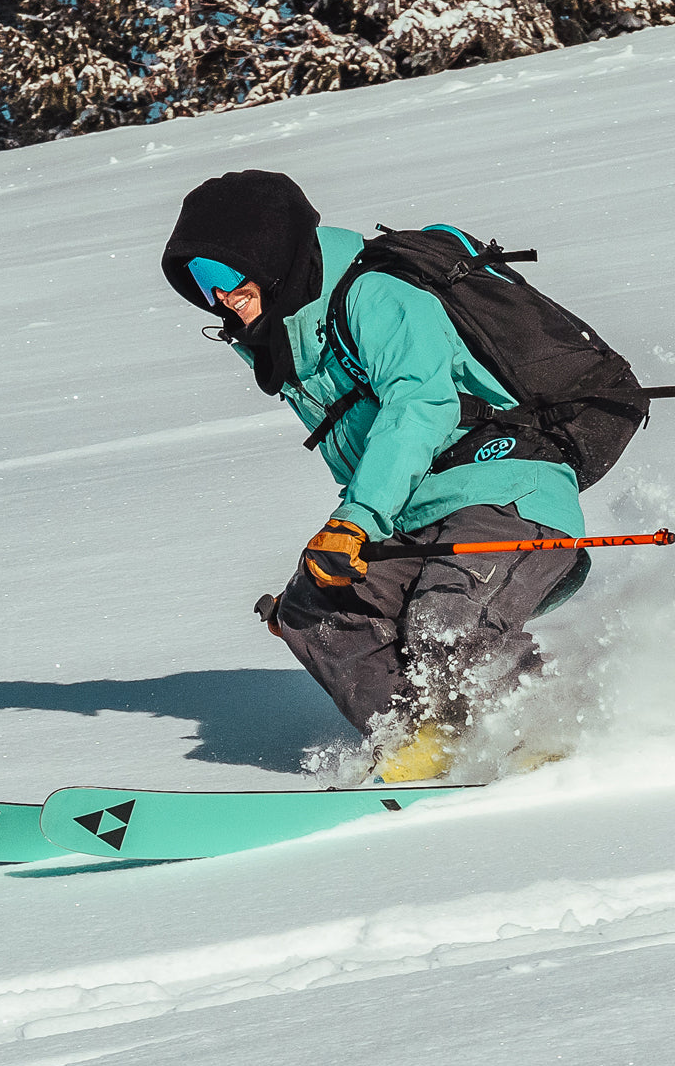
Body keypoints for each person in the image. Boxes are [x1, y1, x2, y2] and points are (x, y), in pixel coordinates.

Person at [162, 169, 589, 782]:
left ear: (271, 254)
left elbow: (422, 408)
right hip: (418, 512)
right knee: (314, 608)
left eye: (225, 275)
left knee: (447, 620)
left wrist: (357, 519)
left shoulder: (376, 295)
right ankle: (427, 747)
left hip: (506, 488)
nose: (219, 296)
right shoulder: (290, 342)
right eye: (200, 285)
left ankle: (551, 742)